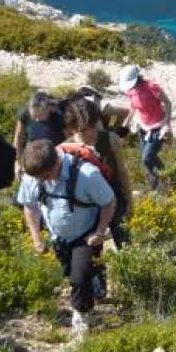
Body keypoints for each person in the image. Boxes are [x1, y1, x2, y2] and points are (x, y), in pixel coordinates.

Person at [16, 139, 116, 336]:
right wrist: (36, 238)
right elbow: (30, 206)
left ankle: (80, 316)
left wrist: (99, 232)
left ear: (56, 164)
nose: (42, 182)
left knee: (79, 278)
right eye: (39, 179)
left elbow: (109, 202)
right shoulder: (33, 177)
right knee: (73, 274)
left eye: (46, 177)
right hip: (58, 237)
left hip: (86, 234)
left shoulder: (87, 174)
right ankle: (95, 286)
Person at [62, 97, 133, 247]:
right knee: (91, 253)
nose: (92, 132)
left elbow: (122, 172)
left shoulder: (110, 139)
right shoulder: (65, 149)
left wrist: (129, 201)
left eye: (94, 126)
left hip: (115, 199)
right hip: (87, 209)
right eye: (84, 129)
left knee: (125, 243)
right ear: (72, 128)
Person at [117, 65, 173, 192]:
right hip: (143, 127)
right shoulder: (130, 91)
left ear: (136, 79)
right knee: (148, 157)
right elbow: (133, 109)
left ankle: (159, 180)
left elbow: (168, 103)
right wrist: (123, 127)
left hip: (158, 126)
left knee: (146, 157)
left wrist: (167, 123)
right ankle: (162, 177)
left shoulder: (151, 87)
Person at [13, 91, 65, 179]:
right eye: (34, 116)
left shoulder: (59, 116)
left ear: (49, 109)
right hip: (32, 158)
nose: (36, 120)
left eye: (40, 116)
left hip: (53, 161)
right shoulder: (25, 114)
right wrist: (17, 162)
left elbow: (70, 138)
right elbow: (18, 139)